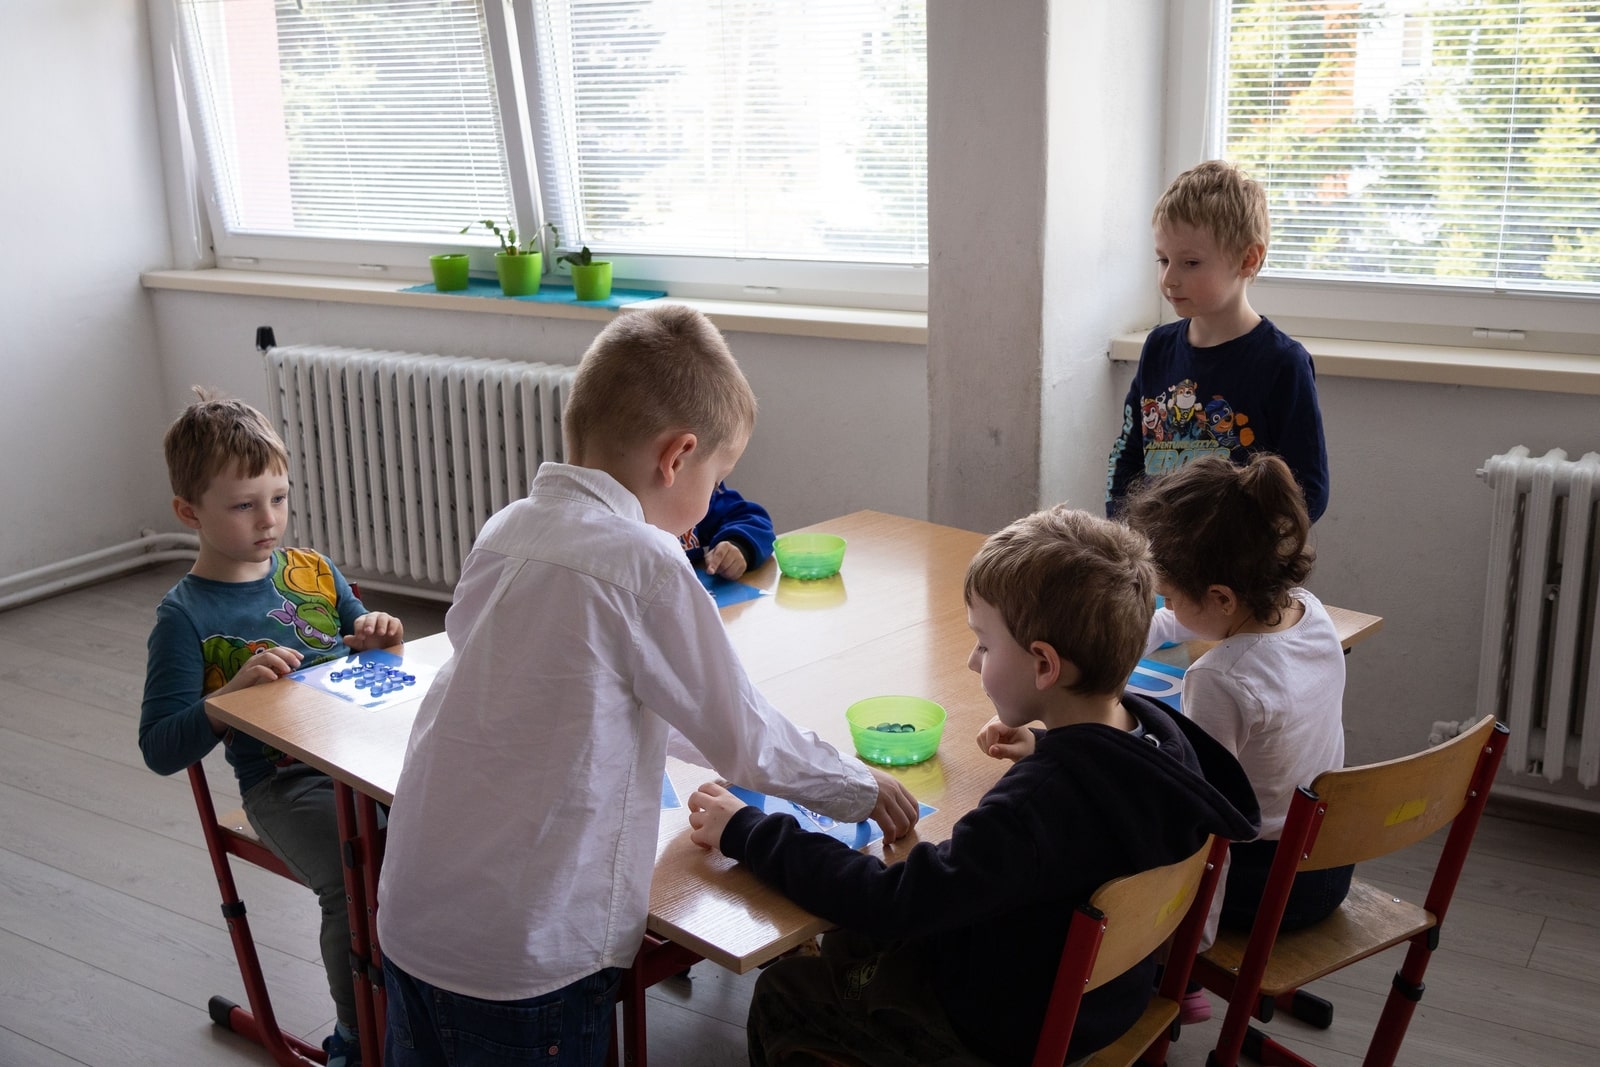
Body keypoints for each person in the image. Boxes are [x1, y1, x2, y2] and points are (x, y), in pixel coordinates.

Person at [375, 305, 920, 1067]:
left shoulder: (508, 527)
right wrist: (855, 786)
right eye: (717, 479)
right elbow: (741, 735)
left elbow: (591, 691)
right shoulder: (645, 562)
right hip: (529, 951)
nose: (712, 499)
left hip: (414, 917)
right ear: (677, 456)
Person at [687, 506, 1260, 1067]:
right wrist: (1046, 743)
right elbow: (1096, 800)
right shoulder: (1164, 744)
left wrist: (748, 832)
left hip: (1003, 1030)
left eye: (984, 645)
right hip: (1106, 1002)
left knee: (787, 988)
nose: (971, 660)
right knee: (844, 935)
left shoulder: (1034, 808)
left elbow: (893, 902)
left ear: (1045, 666)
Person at [139, 389, 404, 1067]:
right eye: (243, 505)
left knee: (446, 842)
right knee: (353, 880)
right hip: (284, 784)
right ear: (189, 512)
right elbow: (160, 747)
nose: (269, 520)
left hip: (363, 755)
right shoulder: (185, 616)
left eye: (279, 498)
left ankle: (423, 1011)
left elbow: (365, 640)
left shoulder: (311, 571)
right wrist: (227, 699)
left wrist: (379, 632)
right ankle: (358, 1039)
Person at [1123, 452, 1351, 1024]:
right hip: (1330, 859)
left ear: (1222, 598)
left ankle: (1166, 983)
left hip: (1266, 888)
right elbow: (1190, 618)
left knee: (1123, 827)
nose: (1165, 606)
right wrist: (1128, 636)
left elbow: (1205, 821)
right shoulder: (1308, 612)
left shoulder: (1220, 678)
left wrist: (1187, 956)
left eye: (1168, 595)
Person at [1105, 159, 1330, 522]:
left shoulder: (1282, 363)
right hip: (1154, 548)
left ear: (1248, 259)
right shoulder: (1158, 348)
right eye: (1163, 260)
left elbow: (1308, 490)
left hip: (1239, 553)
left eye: (1190, 263)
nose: (1169, 279)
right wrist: (1121, 528)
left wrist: (1254, 543)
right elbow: (1128, 455)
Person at [681, 480, 775, 578]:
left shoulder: (702, 491)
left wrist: (739, 545)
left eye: (716, 483)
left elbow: (750, 521)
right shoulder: (692, 482)